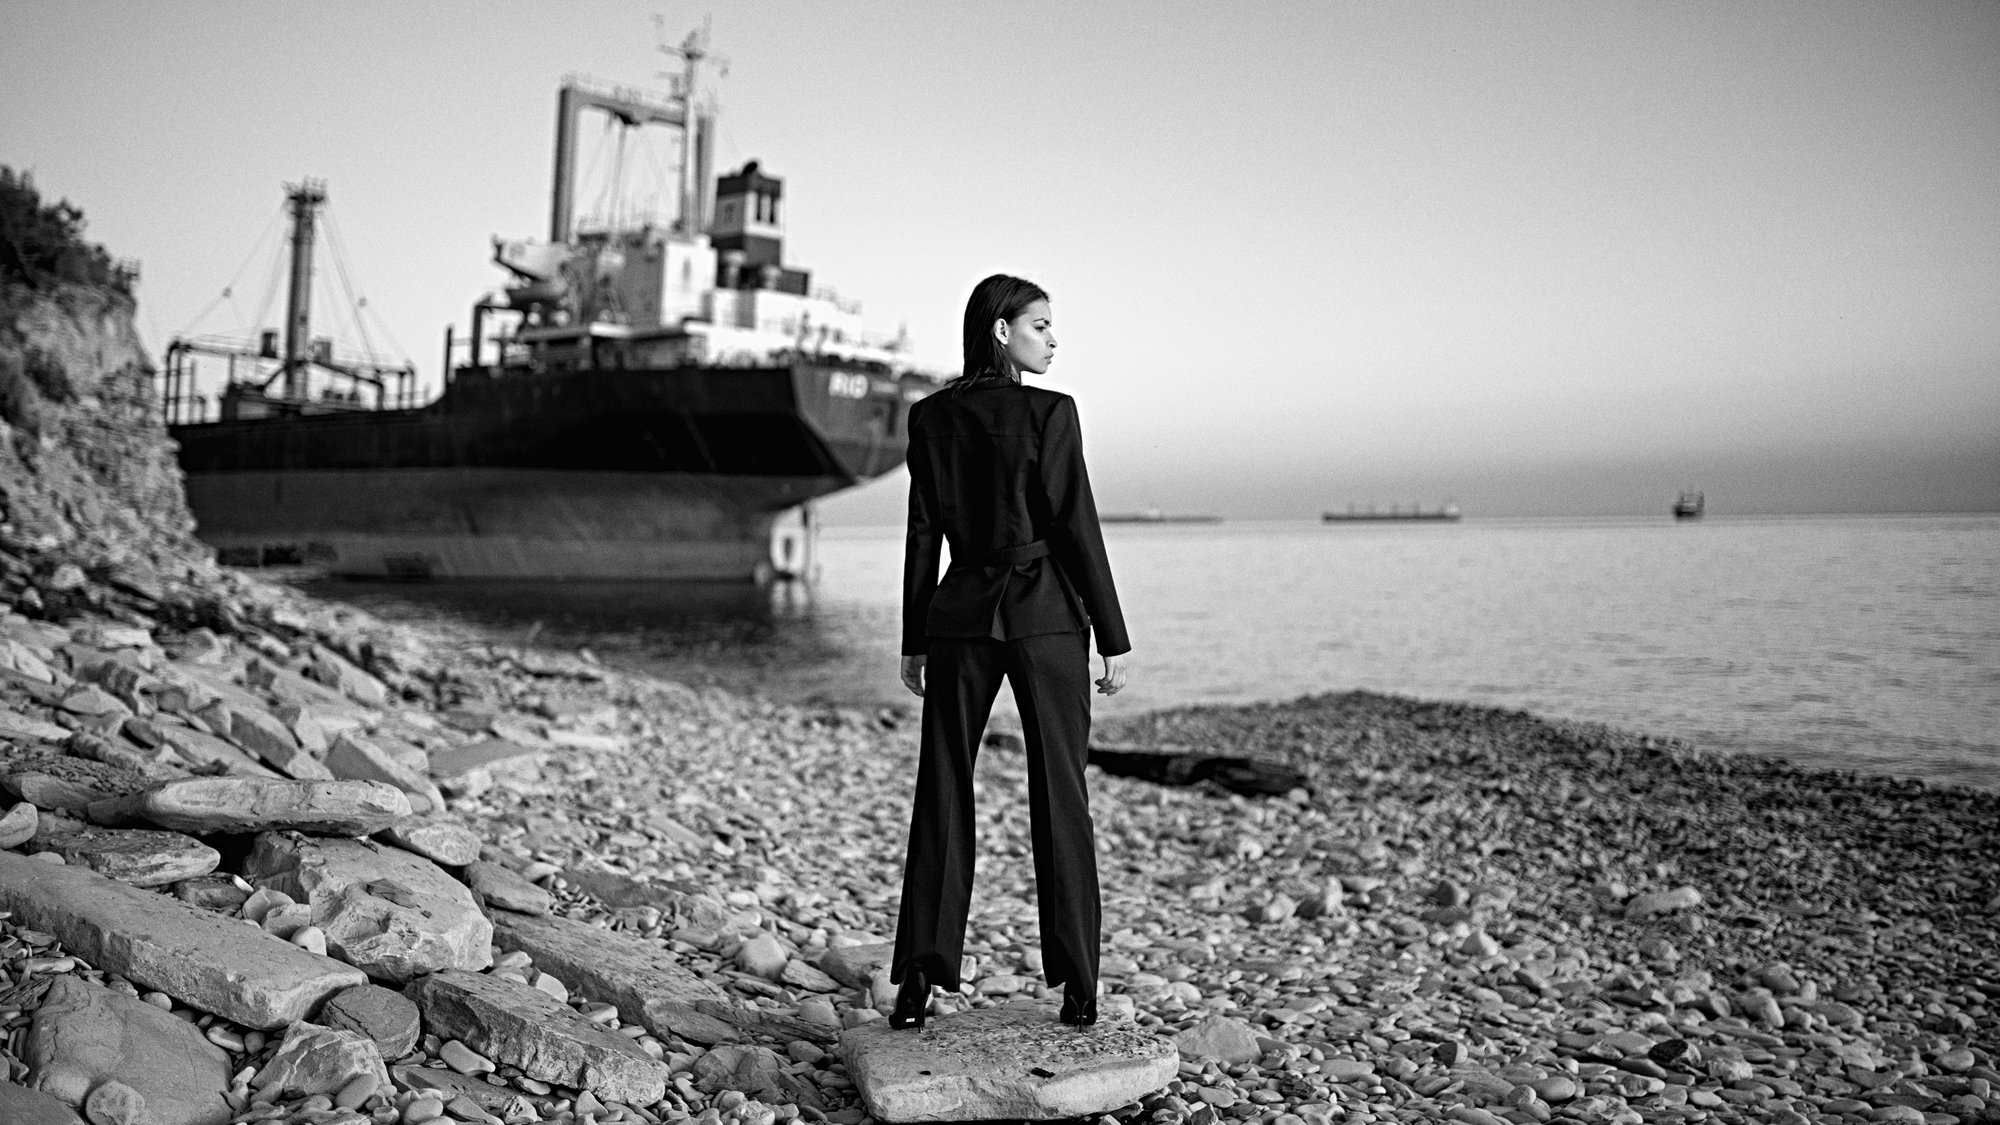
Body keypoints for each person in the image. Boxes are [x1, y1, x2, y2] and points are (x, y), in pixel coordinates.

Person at [889, 273, 1130, 1030]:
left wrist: (914, 637)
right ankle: (1079, 985)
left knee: (943, 785)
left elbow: (923, 532)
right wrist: (1113, 634)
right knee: (1061, 790)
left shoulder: (930, 417)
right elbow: (1075, 523)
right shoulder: (1052, 412)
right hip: (1046, 616)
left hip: (959, 614)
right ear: (1002, 330)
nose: (1053, 340)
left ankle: (917, 980)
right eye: (1040, 325)